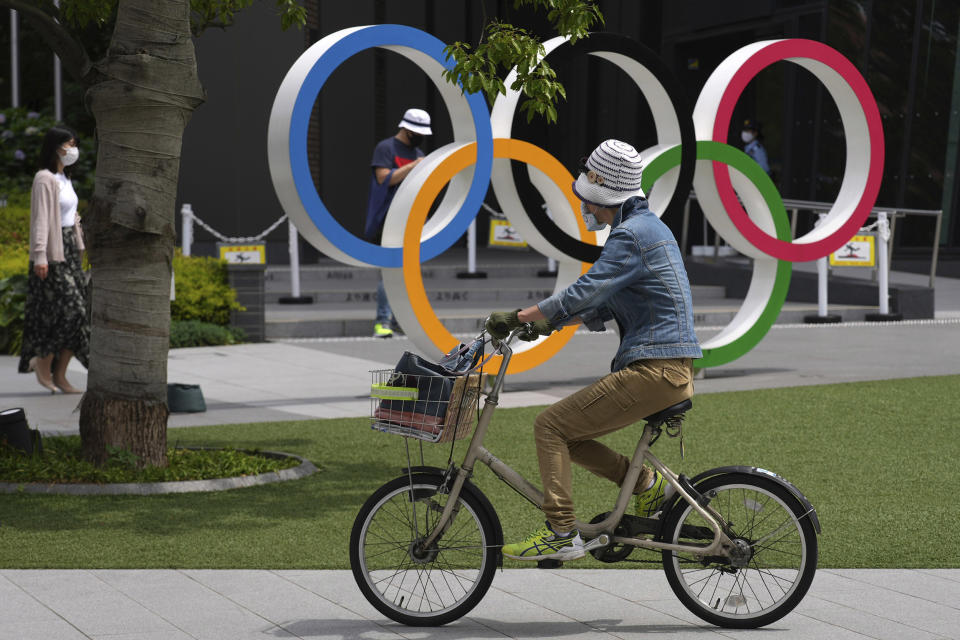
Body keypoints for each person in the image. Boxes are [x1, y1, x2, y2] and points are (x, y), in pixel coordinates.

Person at [485, 139, 702, 561]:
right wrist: (545, 323)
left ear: (610, 197)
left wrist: (522, 316)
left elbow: (587, 289)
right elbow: (600, 303)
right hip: (666, 369)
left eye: (592, 200)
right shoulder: (647, 228)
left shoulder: (632, 235)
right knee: (572, 436)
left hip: (656, 370)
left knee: (549, 426)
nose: (590, 209)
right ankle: (645, 485)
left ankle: (561, 531)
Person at [18, 126, 90, 394]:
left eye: (74, 143)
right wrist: (40, 255)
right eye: (68, 144)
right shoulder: (44, 178)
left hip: (70, 251)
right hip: (52, 253)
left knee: (78, 316)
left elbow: (72, 217)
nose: (73, 149)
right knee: (71, 311)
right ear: (55, 147)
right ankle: (42, 362)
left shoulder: (65, 178)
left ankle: (59, 375)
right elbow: (40, 220)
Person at [365, 108, 432, 338]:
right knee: (390, 272)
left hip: (411, 219)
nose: (420, 136)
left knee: (409, 273)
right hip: (388, 219)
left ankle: (402, 320)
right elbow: (384, 178)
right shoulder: (386, 148)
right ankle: (383, 321)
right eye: (417, 131)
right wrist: (414, 166)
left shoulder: (418, 151)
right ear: (405, 128)